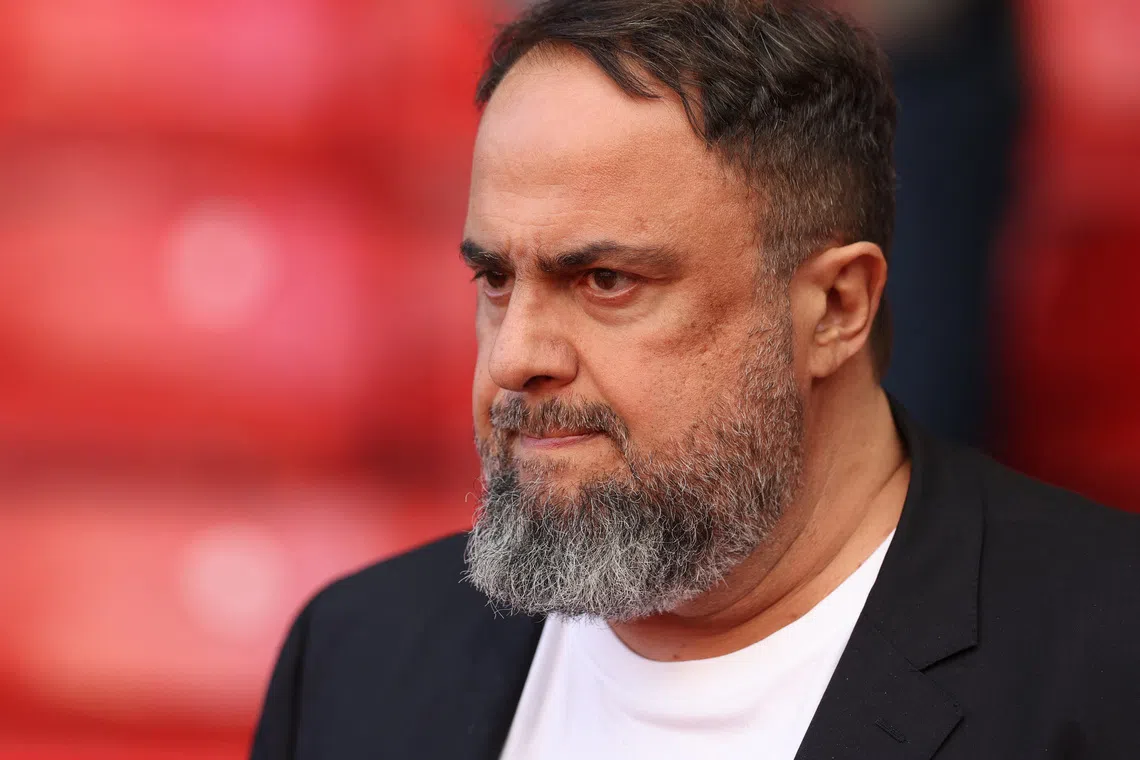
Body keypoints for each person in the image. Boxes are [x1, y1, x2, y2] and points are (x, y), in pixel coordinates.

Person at [250, 2, 1140, 758]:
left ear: (836, 306)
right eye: (495, 280)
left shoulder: (1107, 663)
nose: (515, 356)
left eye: (606, 281)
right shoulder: (353, 659)